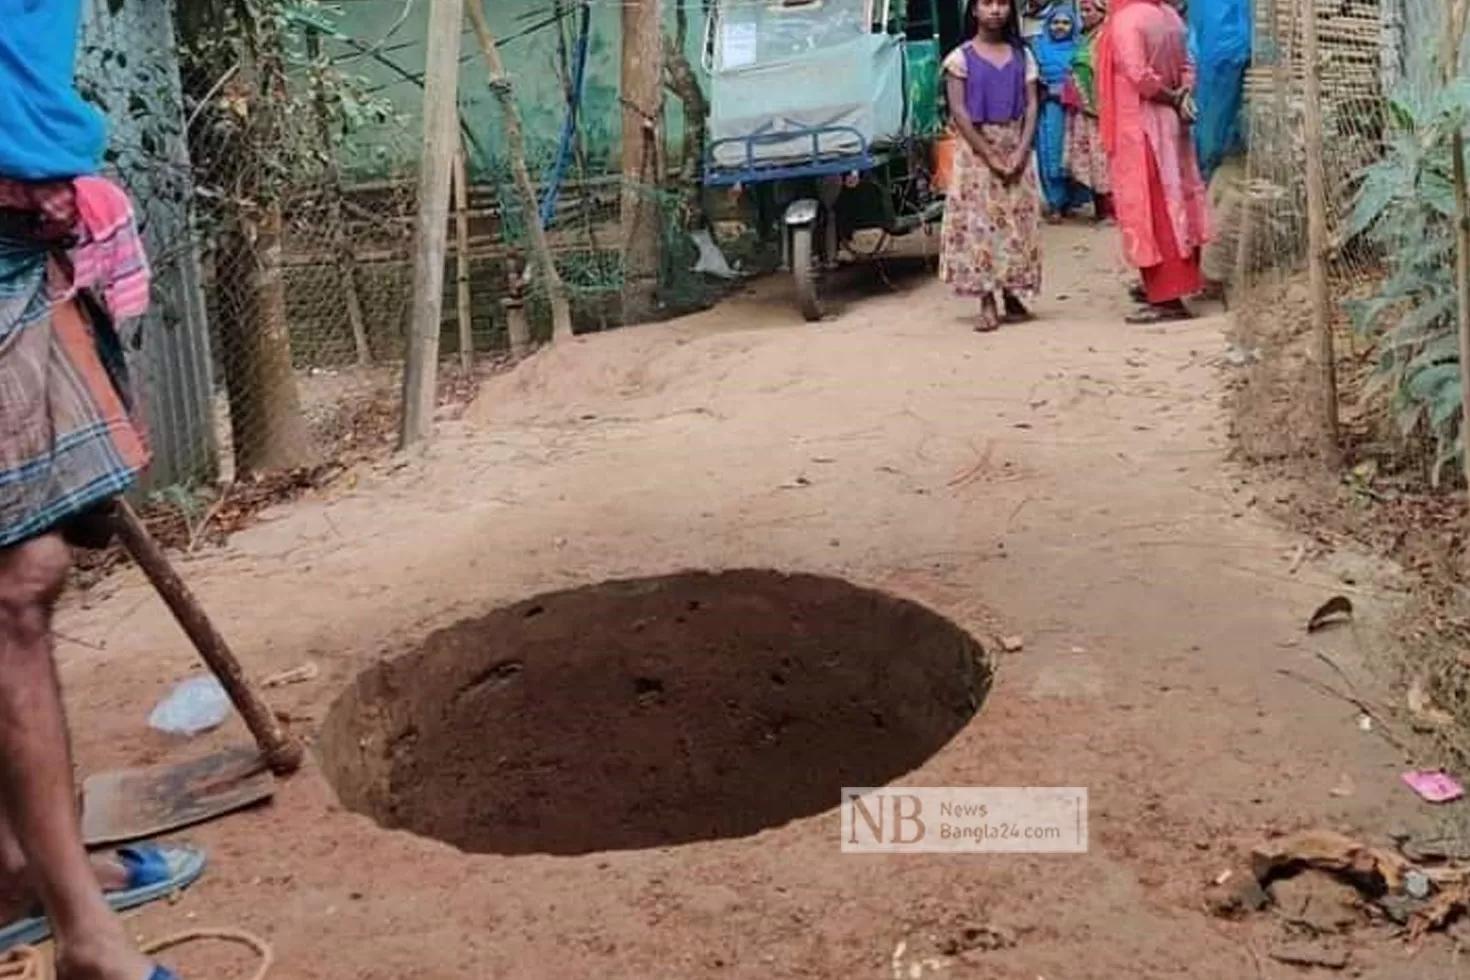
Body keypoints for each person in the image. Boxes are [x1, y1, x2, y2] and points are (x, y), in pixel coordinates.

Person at [0, 2, 203, 977]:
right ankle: (81, 930)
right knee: (18, 587)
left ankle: (17, 870)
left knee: (30, 569)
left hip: (19, 228)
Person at [1098, 0, 1211, 323]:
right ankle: (1174, 283)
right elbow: (1190, 64)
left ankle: (1167, 298)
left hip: (1140, 124)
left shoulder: (1126, 20)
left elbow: (1138, 76)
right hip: (1171, 121)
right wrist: (1181, 96)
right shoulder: (1169, 15)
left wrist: (1167, 95)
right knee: (1178, 201)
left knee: (1154, 208)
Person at [939, 0, 1043, 333]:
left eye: (1002, 3)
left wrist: (1022, 149)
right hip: (976, 153)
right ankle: (986, 298)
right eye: (987, 3)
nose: (995, 10)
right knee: (980, 224)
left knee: (1017, 222)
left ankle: (1013, 293)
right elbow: (960, 112)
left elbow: (1031, 103)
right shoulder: (959, 59)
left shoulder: (1022, 56)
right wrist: (990, 155)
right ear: (974, 10)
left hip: (1016, 145)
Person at [1031, 4, 1091, 221]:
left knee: (1076, 153)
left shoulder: (1081, 47)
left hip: (1076, 110)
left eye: (1066, 23)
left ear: (1073, 25)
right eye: (1055, 22)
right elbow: (1032, 79)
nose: (1060, 27)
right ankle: (1055, 204)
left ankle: (1072, 202)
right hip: (1050, 108)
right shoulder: (1038, 48)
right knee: (1051, 154)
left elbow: (1087, 76)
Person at [1060, 0, 1112, 220]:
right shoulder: (1085, 38)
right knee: (1090, 157)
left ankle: (1110, 210)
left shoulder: (1106, 37)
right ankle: (1100, 209)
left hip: (1101, 108)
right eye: (1081, 10)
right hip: (1083, 108)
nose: (1084, 15)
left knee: (1103, 158)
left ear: (1102, 12)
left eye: (1089, 10)